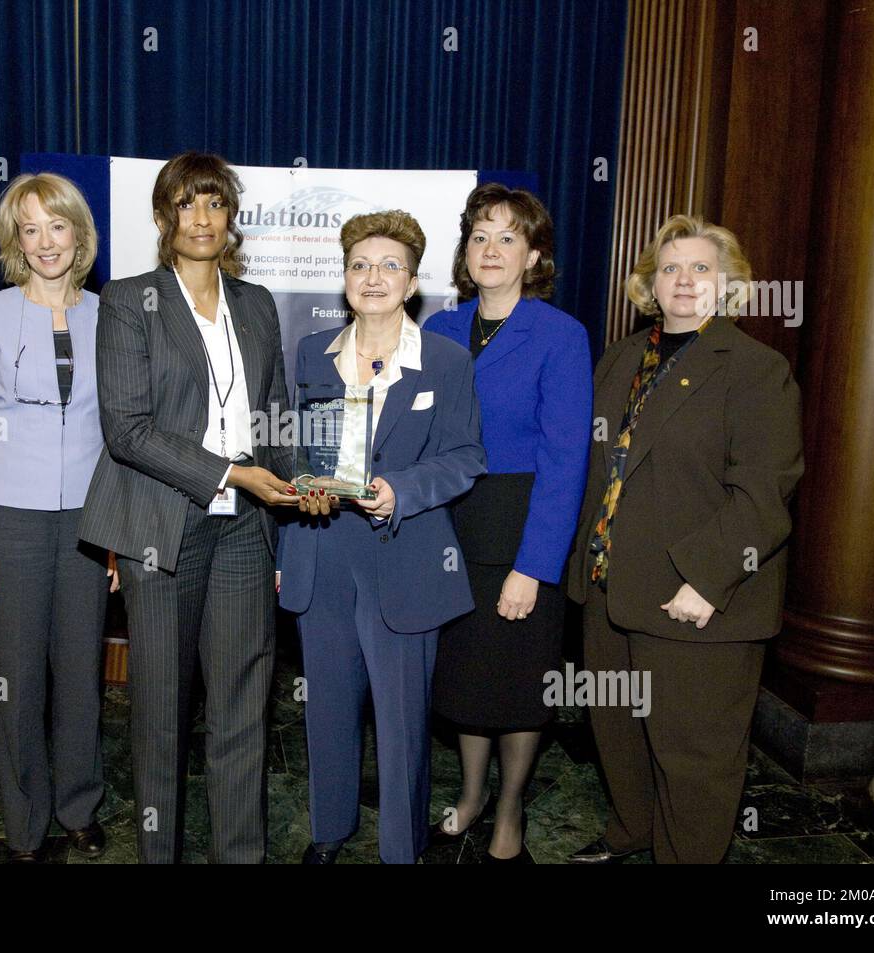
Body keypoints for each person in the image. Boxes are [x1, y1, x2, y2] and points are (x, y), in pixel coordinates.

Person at [77, 152, 296, 863]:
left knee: (241, 709)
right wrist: (237, 473)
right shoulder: (127, 299)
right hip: (163, 526)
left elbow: (275, 414)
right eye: (186, 204)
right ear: (164, 216)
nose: (201, 219)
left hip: (243, 532)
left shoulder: (257, 302)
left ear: (231, 216)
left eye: (215, 203)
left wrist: (305, 482)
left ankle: (241, 855)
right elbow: (128, 428)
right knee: (162, 716)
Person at [565, 215, 803, 864]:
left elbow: (763, 493)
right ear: (650, 283)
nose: (685, 280)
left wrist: (706, 579)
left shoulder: (755, 369)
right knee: (619, 734)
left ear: (728, 286)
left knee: (694, 760)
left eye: (702, 268)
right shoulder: (621, 357)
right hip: (611, 589)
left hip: (694, 601)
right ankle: (632, 830)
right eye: (670, 268)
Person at [277, 210, 486, 864]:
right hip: (323, 552)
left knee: (401, 723)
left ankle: (403, 847)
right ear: (344, 277)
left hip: (405, 556)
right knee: (328, 711)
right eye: (361, 264)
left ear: (413, 280)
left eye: (390, 265)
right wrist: (289, 535)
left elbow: (465, 456)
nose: (374, 277)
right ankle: (329, 829)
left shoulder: (446, 361)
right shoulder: (313, 353)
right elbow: (293, 450)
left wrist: (401, 489)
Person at [0, 172, 118, 863]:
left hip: (86, 516)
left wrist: (113, 537)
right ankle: (25, 820)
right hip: (8, 517)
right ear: (15, 239)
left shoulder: (110, 316)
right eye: (30, 227)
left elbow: (118, 435)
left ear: (78, 233)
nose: (45, 241)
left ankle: (80, 804)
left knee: (81, 673)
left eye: (57, 225)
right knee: (15, 678)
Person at [424, 184, 591, 862]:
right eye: (480, 236)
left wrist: (535, 564)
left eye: (507, 237)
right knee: (466, 677)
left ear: (534, 254)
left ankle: (511, 806)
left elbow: (565, 459)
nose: (491, 249)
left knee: (519, 683)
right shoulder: (436, 328)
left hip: (523, 525)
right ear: (466, 252)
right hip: (450, 527)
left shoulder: (561, 334)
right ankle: (470, 794)